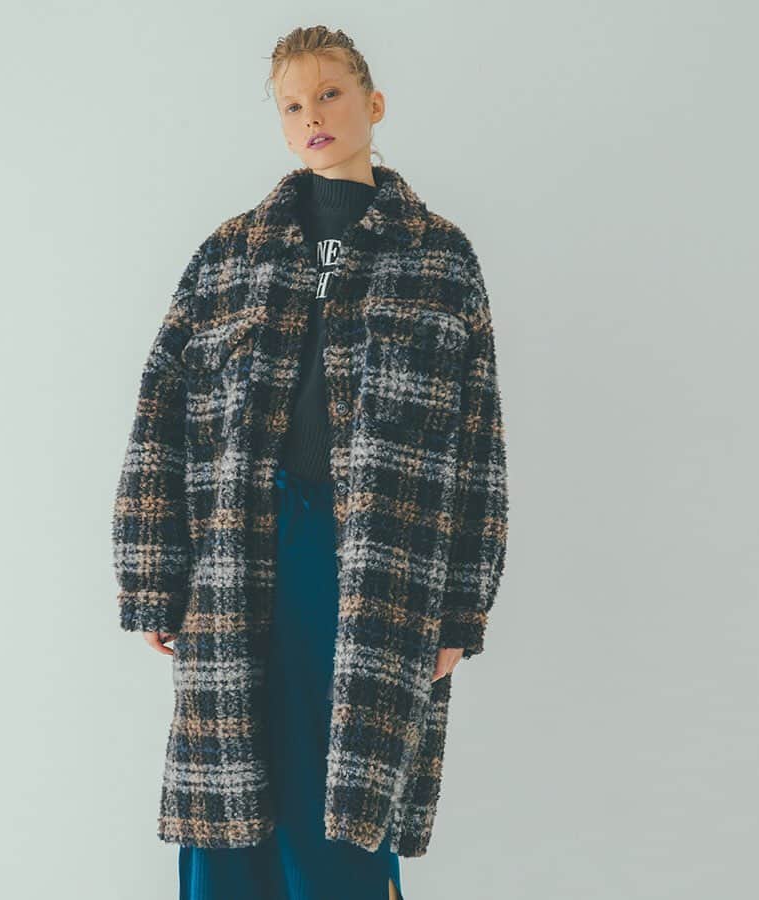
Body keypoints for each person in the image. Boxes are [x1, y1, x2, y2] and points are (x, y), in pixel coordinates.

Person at [112, 24, 509, 900]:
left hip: (379, 558)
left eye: (329, 94)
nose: (312, 116)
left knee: (348, 790)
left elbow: (478, 444)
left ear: (374, 104)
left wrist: (461, 612)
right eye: (292, 105)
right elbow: (159, 413)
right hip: (238, 547)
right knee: (232, 784)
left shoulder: (438, 257)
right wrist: (151, 576)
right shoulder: (229, 254)